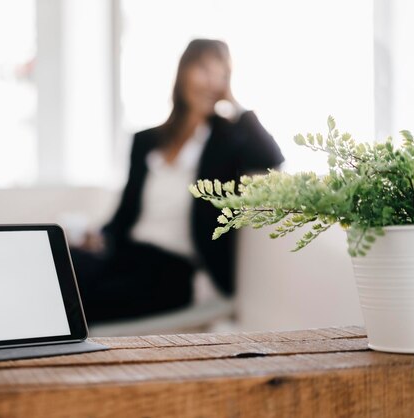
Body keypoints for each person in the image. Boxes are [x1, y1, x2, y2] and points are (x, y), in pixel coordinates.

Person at [71, 39, 284, 324]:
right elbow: (127, 211)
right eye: (205, 70)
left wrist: (234, 102)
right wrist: (97, 235)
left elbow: (271, 157)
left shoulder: (227, 141)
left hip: (173, 271)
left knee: (85, 298)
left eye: (221, 74)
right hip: (128, 254)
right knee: (62, 265)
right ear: (184, 71)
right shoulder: (145, 141)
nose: (212, 82)